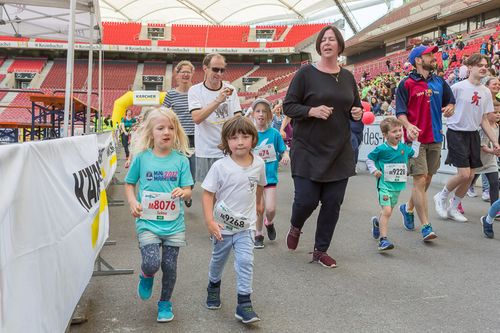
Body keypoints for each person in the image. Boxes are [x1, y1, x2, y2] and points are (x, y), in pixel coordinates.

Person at [283, 25, 363, 267]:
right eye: (323, 40)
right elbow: (288, 106)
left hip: (339, 150)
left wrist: (357, 113)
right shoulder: (306, 74)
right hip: (308, 148)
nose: (327, 43)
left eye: (332, 39)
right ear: (319, 46)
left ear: (339, 45)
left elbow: (354, 108)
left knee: (333, 202)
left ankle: (320, 250)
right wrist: (311, 110)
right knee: (306, 200)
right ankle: (296, 225)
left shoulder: (348, 77)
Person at [124, 107, 193, 323]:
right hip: (147, 222)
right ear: (150, 132)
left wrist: (184, 191)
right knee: (152, 263)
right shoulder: (142, 158)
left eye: (171, 128)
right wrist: (133, 201)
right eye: (160, 128)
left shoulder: (181, 160)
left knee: (170, 267)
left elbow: (188, 188)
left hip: (173, 224)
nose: (166, 132)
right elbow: (129, 183)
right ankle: (146, 275)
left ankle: (165, 302)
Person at [201, 116, 266, 324]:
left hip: (245, 227)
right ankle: (213, 285)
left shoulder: (259, 163)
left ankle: (244, 304)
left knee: (246, 262)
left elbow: (259, 185)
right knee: (218, 261)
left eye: (245, 136)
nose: (240, 142)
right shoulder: (220, 166)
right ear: (226, 141)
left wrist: (258, 204)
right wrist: (210, 221)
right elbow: (207, 194)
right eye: (234, 137)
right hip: (222, 227)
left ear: (253, 139)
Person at [396, 44, 455, 241]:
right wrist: (408, 126)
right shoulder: (406, 84)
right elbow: (400, 113)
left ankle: (408, 208)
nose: (433, 57)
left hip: (436, 137)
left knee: (427, 179)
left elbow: (451, 101)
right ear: (418, 60)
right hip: (415, 141)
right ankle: (426, 226)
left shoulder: (439, 81)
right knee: (419, 180)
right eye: (429, 55)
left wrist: (450, 107)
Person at [434, 54, 499, 222]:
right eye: (479, 65)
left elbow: (484, 120)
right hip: (456, 132)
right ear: (470, 67)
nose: (484, 67)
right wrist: (448, 110)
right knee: (463, 174)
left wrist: (495, 141)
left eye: (485, 64)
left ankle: (454, 207)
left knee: (470, 176)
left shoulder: (485, 92)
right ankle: (441, 196)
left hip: (473, 134)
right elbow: (446, 107)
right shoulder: (457, 87)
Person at [189, 53, 242, 183]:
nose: (219, 73)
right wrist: (218, 100)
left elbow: (237, 117)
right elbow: (197, 118)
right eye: (215, 69)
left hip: (228, 149)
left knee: (228, 190)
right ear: (205, 68)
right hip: (205, 151)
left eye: (222, 70)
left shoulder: (230, 89)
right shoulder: (195, 90)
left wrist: (229, 141)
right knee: (209, 192)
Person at [367, 117, 414, 251]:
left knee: (386, 212)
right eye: (394, 131)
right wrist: (374, 170)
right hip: (384, 185)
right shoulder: (381, 149)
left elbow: (414, 153)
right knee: (387, 211)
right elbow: (369, 159)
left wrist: (415, 139)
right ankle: (383, 240)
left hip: (397, 187)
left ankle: (377, 224)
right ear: (385, 135)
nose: (398, 133)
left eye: (400, 130)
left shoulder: (404, 148)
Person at [250, 98, 290, 248]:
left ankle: (269, 222)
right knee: (259, 209)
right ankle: (258, 234)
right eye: (258, 111)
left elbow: (283, 150)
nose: (261, 114)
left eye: (264, 112)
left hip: (270, 177)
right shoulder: (250, 134)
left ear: (269, 115)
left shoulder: (274, 134)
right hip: (255, 178)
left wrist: (285, 156)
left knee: (271, 209)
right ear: (253, 114)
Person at [163, 60, 196, 207]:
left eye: (188, 72)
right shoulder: (171, 94)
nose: (185, 74)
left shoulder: (197, 92)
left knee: (192, 169)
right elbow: (163, 113)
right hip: (178, 137)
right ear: (177, 74)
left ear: (192, 74)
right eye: (183, 71)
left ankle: (188, 191)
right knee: (178, 166)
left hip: (195, 137)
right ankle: (181, 193)